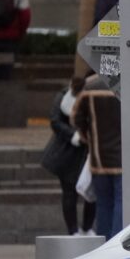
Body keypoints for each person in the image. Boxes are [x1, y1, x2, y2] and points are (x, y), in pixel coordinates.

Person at [73, 74, 130, 239]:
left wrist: (89, 139)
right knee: (121, 202)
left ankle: (104, 244)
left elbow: (76, 118)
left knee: (103, 204)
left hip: (99, 159)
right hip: (127, 159)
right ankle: (116, 243)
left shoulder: (90, 87)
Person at [41, 76, 96, 236]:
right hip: (67, 151)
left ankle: (87, 227)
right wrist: (74, 135)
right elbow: (55, 121)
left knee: (91, 192)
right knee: (69, 192)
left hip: (89, 151)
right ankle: (73, 230)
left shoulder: (93, 94)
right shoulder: (63, 95)